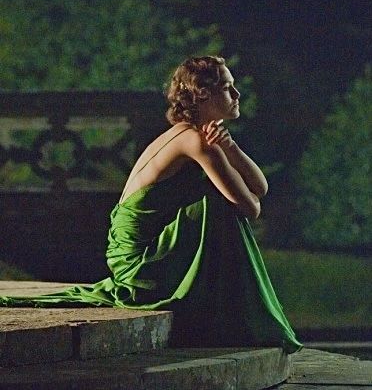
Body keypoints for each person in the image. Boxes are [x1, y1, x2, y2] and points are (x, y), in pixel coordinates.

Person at [0, 56, 303, 354]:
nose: (236, 95)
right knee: (218, 205)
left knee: (217, 202)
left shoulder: (202, 137)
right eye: (227, 87)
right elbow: (251, 208)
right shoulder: (194, 142)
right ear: (202, 95)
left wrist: (230, 146)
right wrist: (223, 155)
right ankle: (236, 314)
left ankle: (223, 306)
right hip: (138, 261)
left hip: (144, 248)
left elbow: (260, 188)